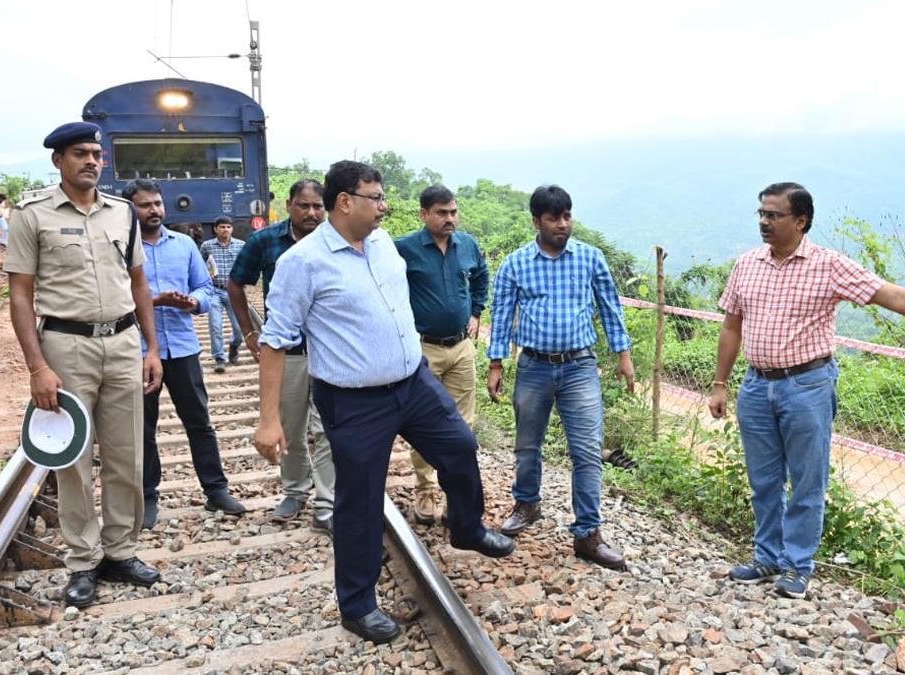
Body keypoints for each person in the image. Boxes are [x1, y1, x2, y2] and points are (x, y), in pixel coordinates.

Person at [708, 182, 905, 599]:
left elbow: (894, 297)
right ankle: (767, 557)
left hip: (807, 385)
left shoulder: (829, 265)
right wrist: (720, 383)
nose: (764, 221)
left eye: (773, 215)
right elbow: (731, 326)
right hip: (757, 386)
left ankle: (797, 566)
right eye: (760, 213)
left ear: (801, 221)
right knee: (763, 479)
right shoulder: (747, 265)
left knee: (807, 482)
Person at [254, 160, 514, 644]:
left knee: (459, 445)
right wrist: (268, 419)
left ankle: (467, 526)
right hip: (354, 401)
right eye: (376, 197)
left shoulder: (382, 245)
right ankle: (357, 605)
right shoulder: (303, 262)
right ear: (346, 201)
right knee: (360, 499)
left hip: (413, 383)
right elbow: (275, 341)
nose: (384, 206)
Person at [4, 122, 164, 608]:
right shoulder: (32, 216)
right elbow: (20, 295)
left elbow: (139, 284)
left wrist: (151, 348)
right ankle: (82, 560)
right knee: (73, 459)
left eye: (96, 153)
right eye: (80, 154)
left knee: (126, 454)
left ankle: (120, 551)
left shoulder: (122, 213)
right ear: (59, 161)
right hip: (65, 346)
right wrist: (37, 367)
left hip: (122, 342)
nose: (91, 161)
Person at [487, 184, 635, 571]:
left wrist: (624, 355)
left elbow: (609, 308)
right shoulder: (516, 264)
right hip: (533, 366)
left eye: (567, 216)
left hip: (580, 367)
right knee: (527, 444)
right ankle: (527, 503)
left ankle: (587, 534)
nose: (562, 224)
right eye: (554, 218)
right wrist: (496, 363)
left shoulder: (590, 258)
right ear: (536, 221)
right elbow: (501, 316)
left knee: (587, 451)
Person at [123, 180, 246, 529]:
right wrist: (152, 302)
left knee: (199, 422)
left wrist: (194, 302)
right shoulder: (120, 249)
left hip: (183, 347)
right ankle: (148, 496)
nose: (154, 210)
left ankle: (216, 489)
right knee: (142, 427)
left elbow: (206, 287)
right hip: (139, 351)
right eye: (145, 205)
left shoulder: (185, 245)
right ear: (130, 209)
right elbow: (112, 298)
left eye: (157, 204)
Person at [228, 180, 336, 530]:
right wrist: (249, 331)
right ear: (289, 205)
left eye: (318, 206)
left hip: (328, 352)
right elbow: (236, 283)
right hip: (287, 353)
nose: (312, 213)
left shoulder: (334, 240)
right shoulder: (266, 241)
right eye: (304, 206)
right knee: (289, 426)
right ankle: (294, 491)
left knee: (326, 429)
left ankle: (327, 501)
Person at [394, 185, 489, 524]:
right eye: (441, 213)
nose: (450, 219)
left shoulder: (468, 245)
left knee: (463, 426)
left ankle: (457, 495)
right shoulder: (403, 249)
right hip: (422, 349)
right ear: (424, 214)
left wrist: (476, 311)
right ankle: (425, 489)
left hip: (461, 348)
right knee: (426, 424)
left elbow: (480, 277)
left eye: (453, 212)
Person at [200, 216, 245, 373]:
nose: (225, 230)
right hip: (215, 291)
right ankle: (220, 358)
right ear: (215, 229)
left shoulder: (241, 246)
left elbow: (246, 265)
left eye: (228, 227)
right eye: (221, 227)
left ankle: (234, 346)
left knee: (239, 329)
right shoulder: (207, 246)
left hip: (235, 292)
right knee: (215, 326)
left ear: (232, 229)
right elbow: (200, 265)